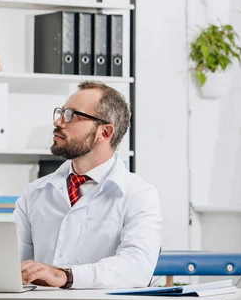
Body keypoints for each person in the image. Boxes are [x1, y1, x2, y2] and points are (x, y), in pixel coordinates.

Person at [14, 81, 162, 289]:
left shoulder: (139, 195)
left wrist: (65, 276)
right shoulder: (34, 193)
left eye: (72, 115)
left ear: (105, 132)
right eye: (61, 112)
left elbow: (136, 268)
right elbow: (13, 265)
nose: (58, 121)